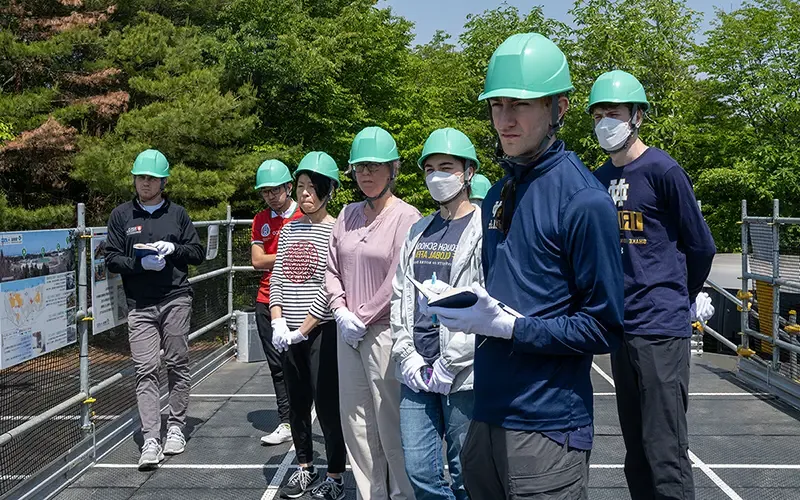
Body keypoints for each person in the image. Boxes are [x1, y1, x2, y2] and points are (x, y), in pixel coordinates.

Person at [423, 33, 625, 499]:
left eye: (522, 104)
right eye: (497, 105)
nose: (505, 119)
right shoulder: (497, 192)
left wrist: (513, 329)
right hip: (486, 412)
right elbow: (504, 292)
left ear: (560, 108)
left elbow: (605, 328)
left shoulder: (585, 201)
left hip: (547, 426)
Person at [589, 69, 716, 500]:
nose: (606, 121)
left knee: (665, 448)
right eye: (599, 113)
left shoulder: (664, 170)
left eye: (615, 112)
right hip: (622, 326)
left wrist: (681, 294)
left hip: (660, 325)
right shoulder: (599, 178)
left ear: (637, 116)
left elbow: (700, 245)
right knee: (635, 449)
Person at [325, 126, 420, 500]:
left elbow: (400, 274)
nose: (366, 173)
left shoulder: (406, 217)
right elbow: (331, 270)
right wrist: (340, 311)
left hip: (383, 331)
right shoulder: (346, 214)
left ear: (392, 169)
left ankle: (404, 494)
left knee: (389, 420)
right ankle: (371, 494)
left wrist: (361, 315)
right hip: (346, 331)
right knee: (356, 422)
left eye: (375, 166)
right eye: (360, 167)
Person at [390, 127, 482, 500]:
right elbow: (400, 296)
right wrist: (406, 354)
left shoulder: (483, 229)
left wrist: (452, 360)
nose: (436, 176)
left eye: (446, 167)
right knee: (418, 470)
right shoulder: (418, 230)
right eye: (429, 169)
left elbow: (486, 302)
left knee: (466, 473)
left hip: (462, 374)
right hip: (417, 371)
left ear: (468, 172)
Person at [105, 149, 205, 470]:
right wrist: (139, 263)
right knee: (145, 368)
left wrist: (174, 249)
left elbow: (197, 252)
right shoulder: (121, 216)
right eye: (140, 177)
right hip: (140, 304)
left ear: (163, 181)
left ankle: (176, 426)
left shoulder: (177, 214)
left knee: (177, 361)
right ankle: (151, 437)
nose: (144, 183)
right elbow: (111, 258)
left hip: (176, 297)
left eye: (150, 178)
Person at [269, 152, 347, 500]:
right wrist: (277, 320)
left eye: (313, 188)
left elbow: (330, 286)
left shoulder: (336, 230)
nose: (305, 194)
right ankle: (304, 468)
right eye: (300, 187)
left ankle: (335, 475)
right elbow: (278, 278)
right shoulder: (288, 231)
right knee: (298, 404)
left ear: (328, 192)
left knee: (328, 406)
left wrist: (305, 327)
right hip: (289, 333)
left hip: (322, 331)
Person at [250, 159, 303, 446]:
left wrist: (279, 257)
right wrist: (291, 254)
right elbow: (257, 260)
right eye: (265, 191)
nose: (270, 196)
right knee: (277, 365)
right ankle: (287, 421)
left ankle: (306, 416)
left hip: (301, 300)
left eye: (275, 190)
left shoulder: (306, 213)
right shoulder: (261, 219)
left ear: (288, 187)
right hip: (267, 298)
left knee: (305, 364)